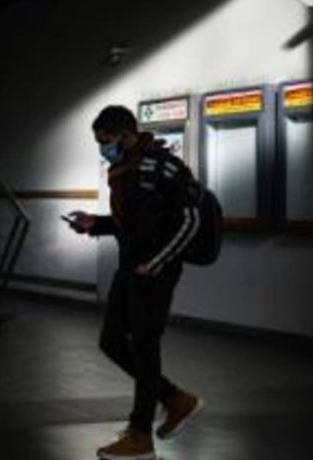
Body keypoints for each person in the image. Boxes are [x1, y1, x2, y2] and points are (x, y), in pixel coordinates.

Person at [67, 105, 206, 460]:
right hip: (130, 267)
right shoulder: (124, 169)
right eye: (99, 142)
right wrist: (94, 224)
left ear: (126, 134)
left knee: (145, 348)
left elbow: (191, 221)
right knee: (111, 341)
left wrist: (156, 263)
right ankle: (175, 398)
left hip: (155, 272)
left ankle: (140, 436)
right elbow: (128, 222)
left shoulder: (165, 166)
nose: (103, 149)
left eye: (106, 141)